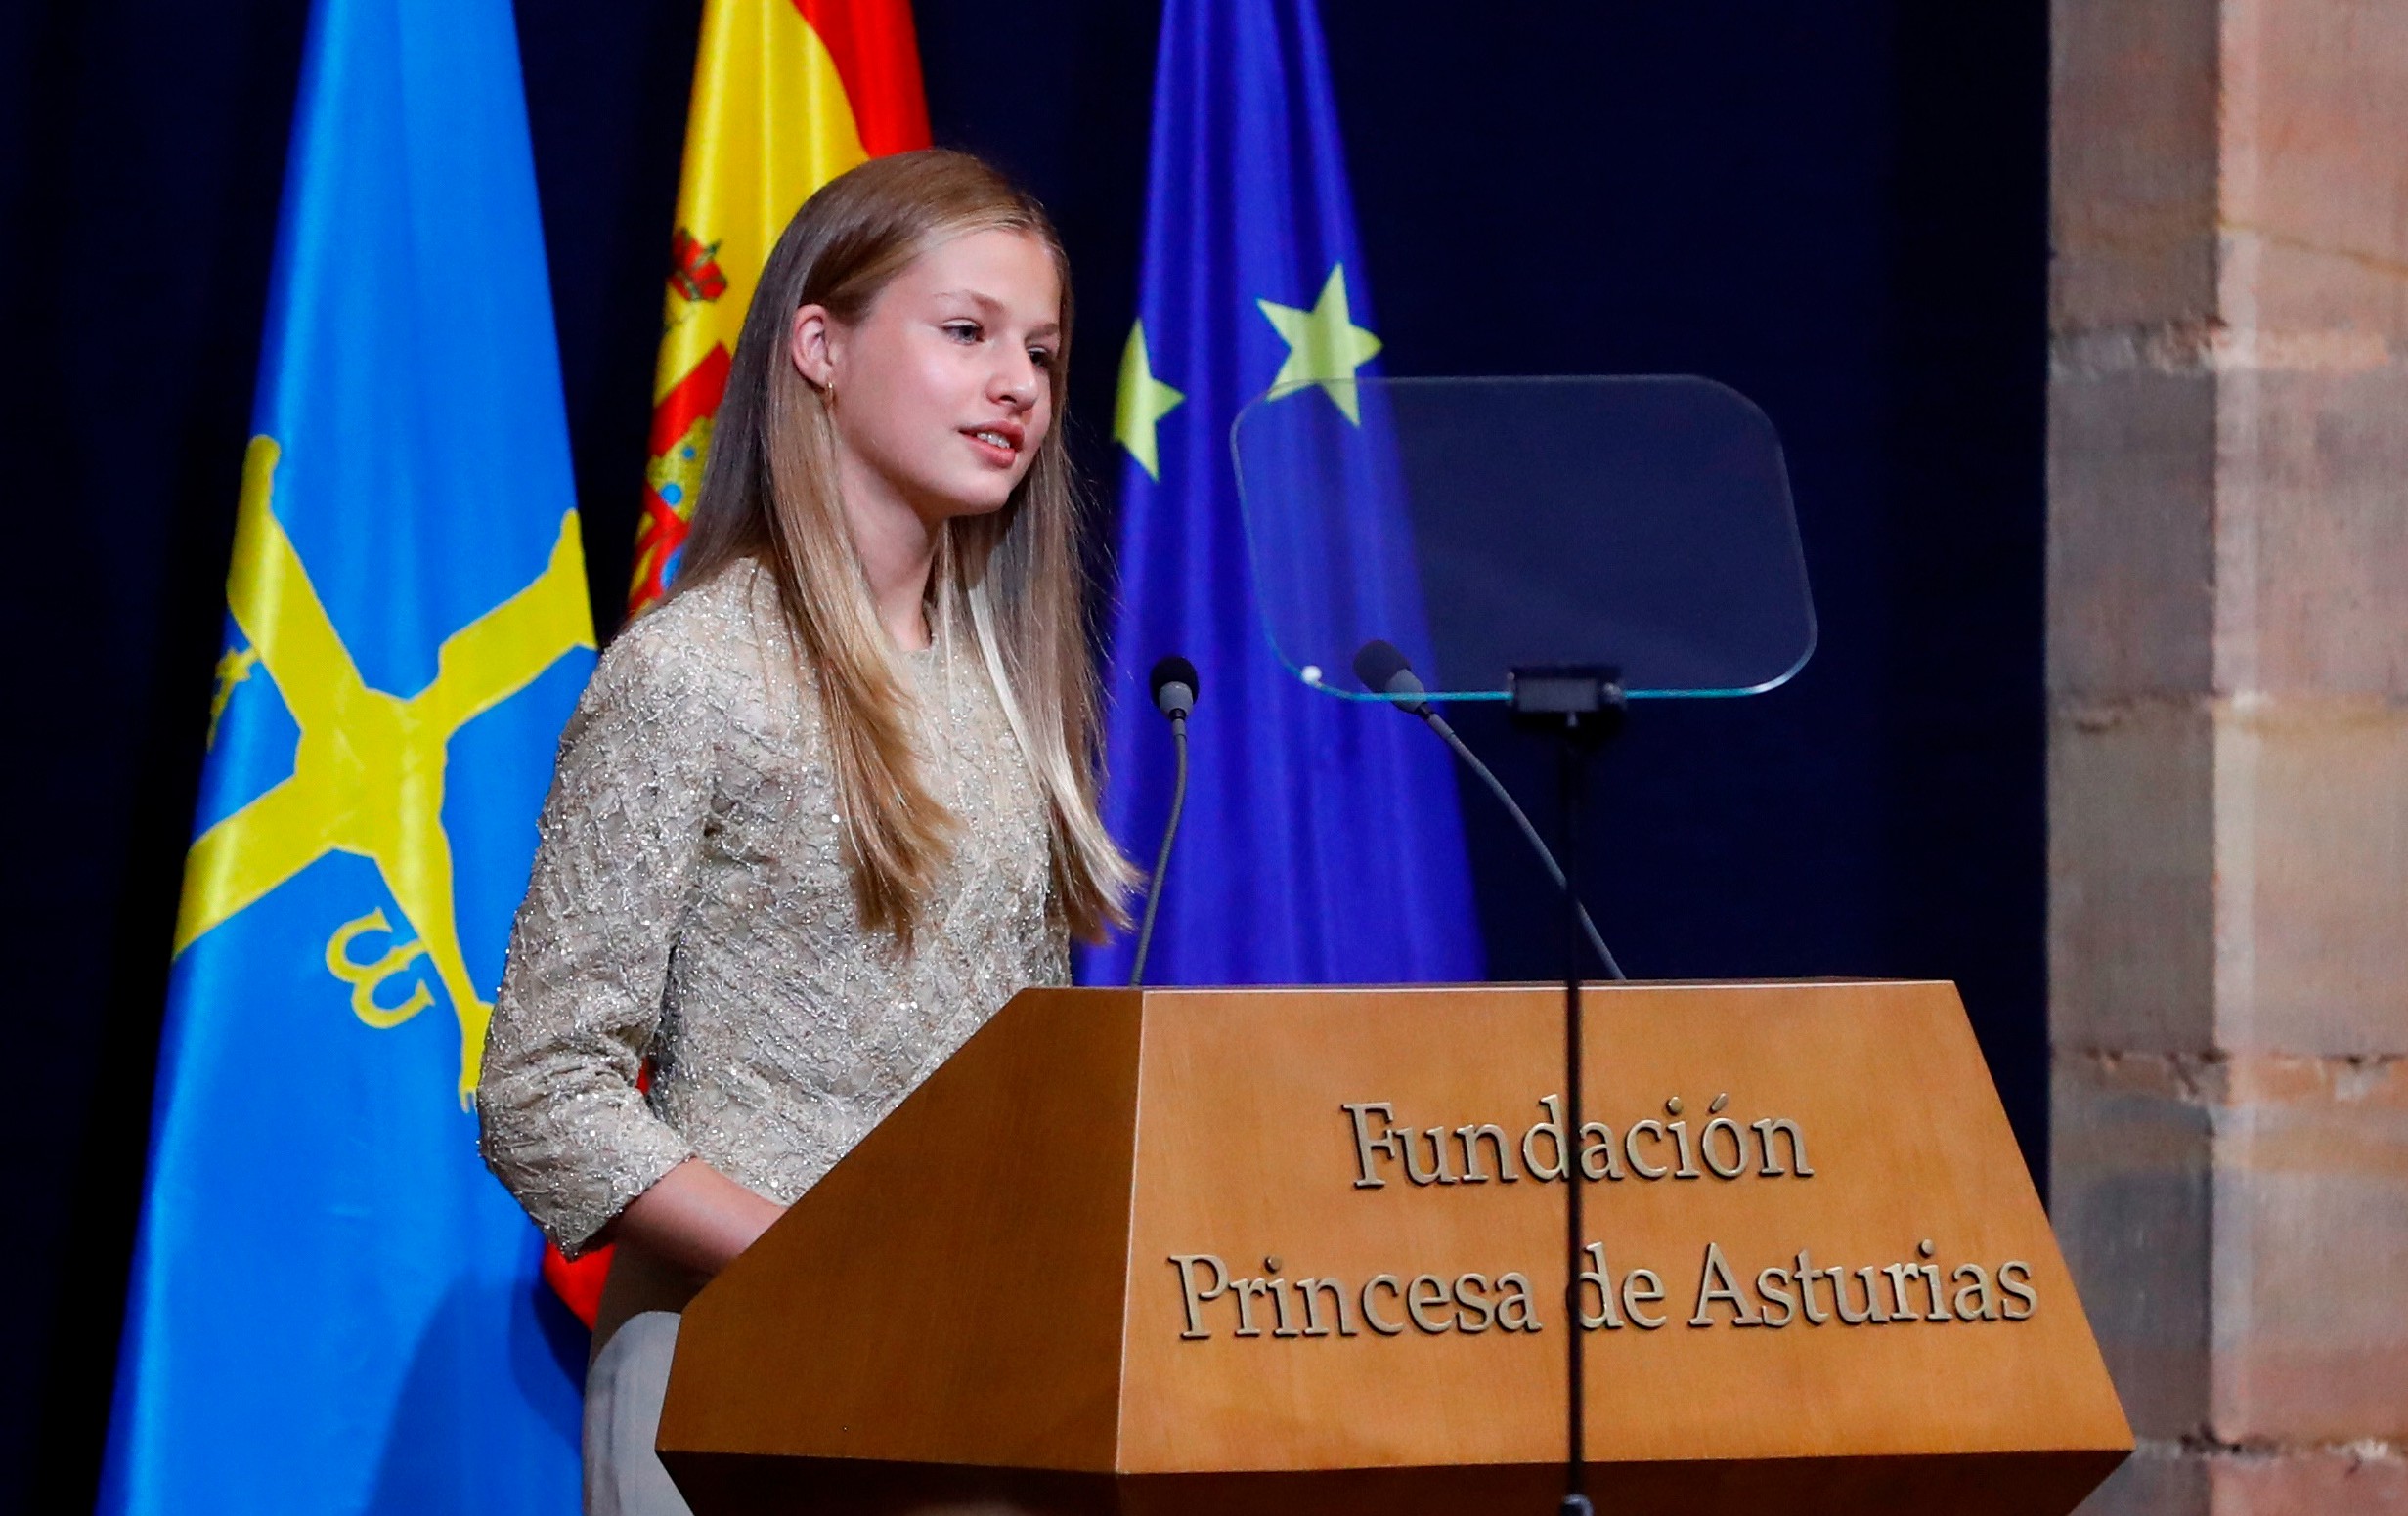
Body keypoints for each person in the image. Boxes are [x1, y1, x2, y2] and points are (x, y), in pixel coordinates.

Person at [476, 149, 1135, 1516]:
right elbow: (544, 1095)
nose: (1018, 383)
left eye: (1044, 352)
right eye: (966, 333)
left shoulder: (1011, 687)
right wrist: (831, 1258)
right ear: (820, 346)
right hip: (742, 1374)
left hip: (987, 1377)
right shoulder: (693, 673)